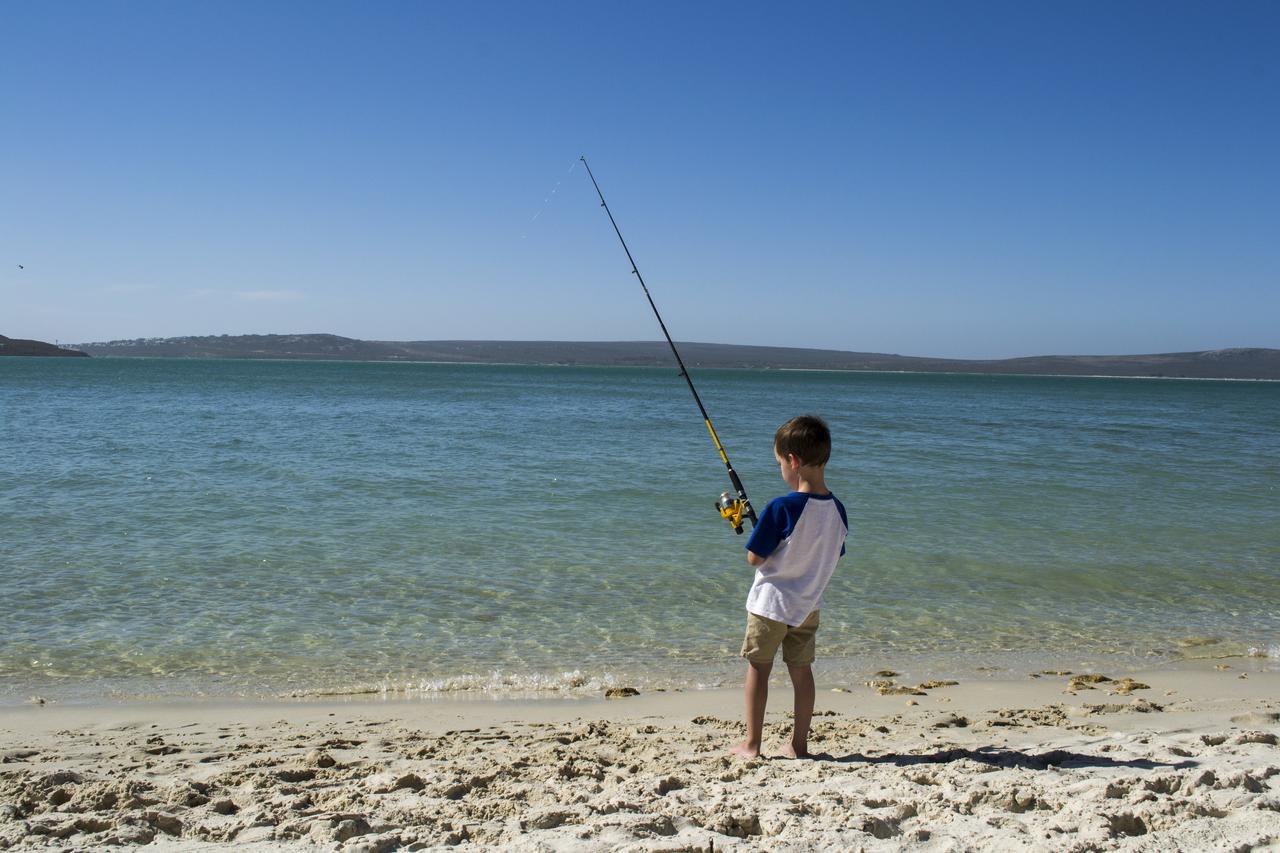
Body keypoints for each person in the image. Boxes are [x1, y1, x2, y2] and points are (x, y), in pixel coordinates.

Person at [728, 415, 848, 759]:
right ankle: (799, 745)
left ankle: (752, 745)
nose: (781, 468)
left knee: (758, 670)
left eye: (780, 463)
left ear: (792, 461)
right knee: (801, 672)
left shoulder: (781, 507)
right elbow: (831, 556)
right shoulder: (838, 510)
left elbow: (755, 558)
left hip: (770, 606)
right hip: (808, 607)